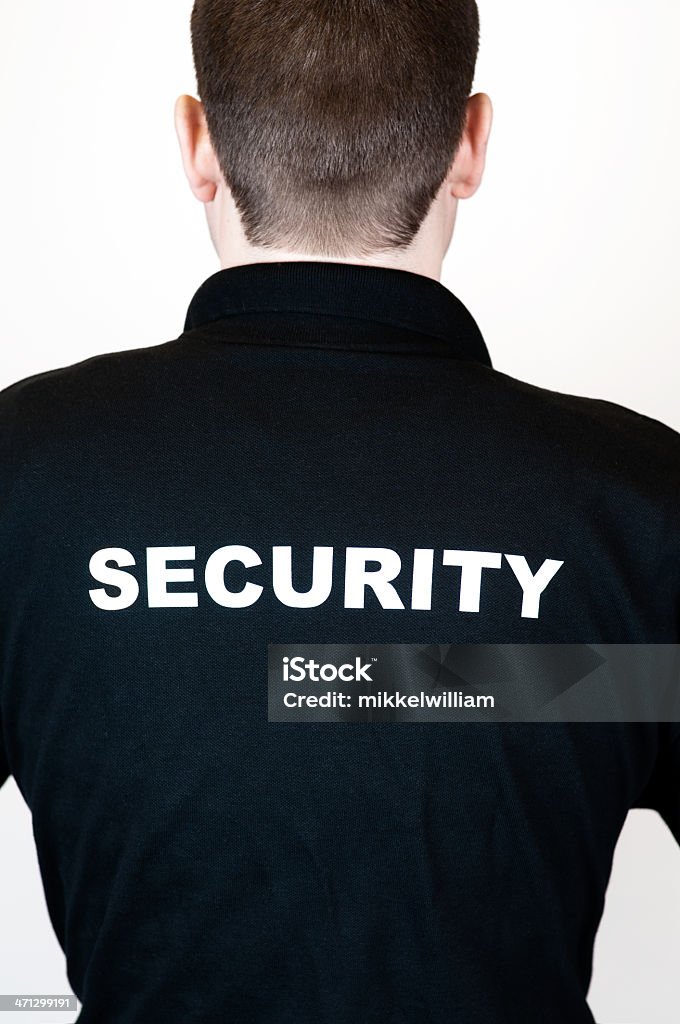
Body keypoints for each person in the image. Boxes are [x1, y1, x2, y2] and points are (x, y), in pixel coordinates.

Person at [0, 1, 678, 1021]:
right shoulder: (636, 504)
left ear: (196, 142)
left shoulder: (24, 475)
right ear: (468, 141)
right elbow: (430, 683)